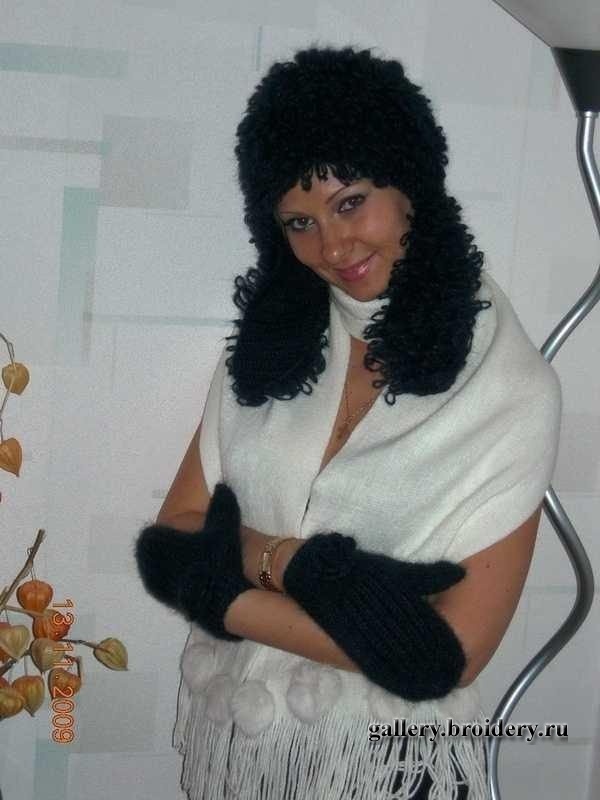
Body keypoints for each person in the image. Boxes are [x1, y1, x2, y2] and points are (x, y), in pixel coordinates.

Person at [134, 45, 562, 799]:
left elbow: (447, 654)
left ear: (409, 182)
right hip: (246, 754)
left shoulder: (510, 389)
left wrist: (239, 575)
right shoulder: (268, 348)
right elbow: (169, 544)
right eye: (300, 221)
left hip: (394, 770)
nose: (331, 247)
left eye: (351, 201)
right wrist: (322, 583)